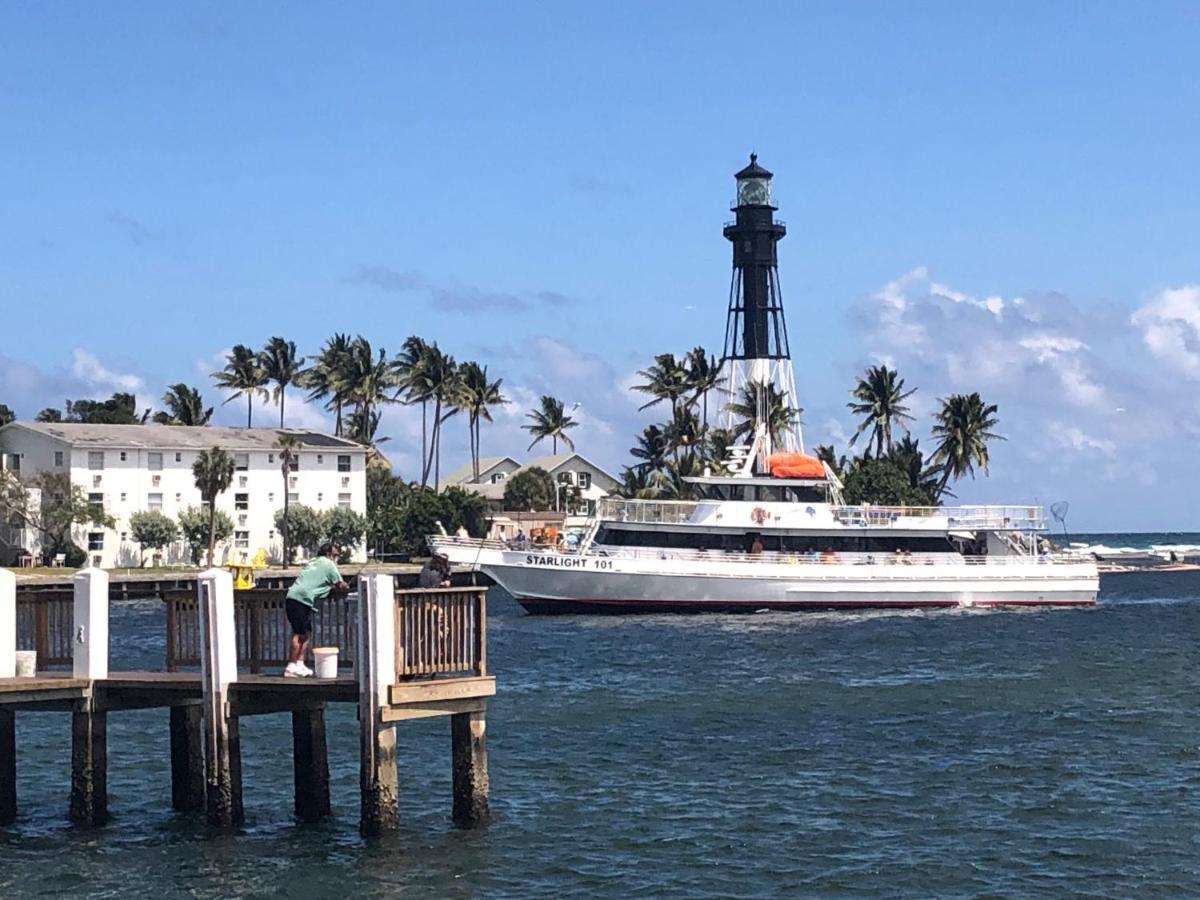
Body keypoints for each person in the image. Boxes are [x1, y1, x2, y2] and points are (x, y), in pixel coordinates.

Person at [284, 542, 349, 678]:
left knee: (306, 633)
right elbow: (340, 584)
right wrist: (345, 586)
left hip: (294, 598)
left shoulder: (313, 561)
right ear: (328, 554)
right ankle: (291, 666)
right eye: (335, 555)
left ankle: (299, 664)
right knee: (298, 633)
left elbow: (318, 580)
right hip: (301, 600)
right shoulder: (329, 564)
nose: (336, 558)